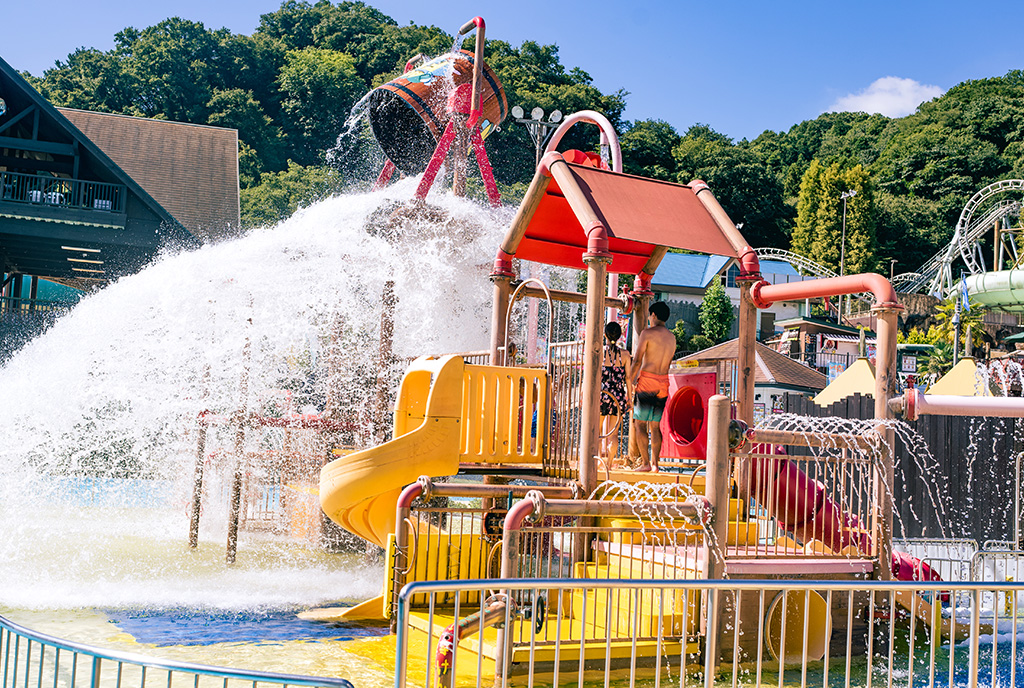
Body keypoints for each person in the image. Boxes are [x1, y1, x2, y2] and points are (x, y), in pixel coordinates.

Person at [630, 301, 676, 472]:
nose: (649, 318)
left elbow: (637, 359)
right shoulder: (672, 337)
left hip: (647, 381)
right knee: (655, 426)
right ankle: (656, 464)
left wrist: (630, 379)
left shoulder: (647, 333)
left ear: (654, 315)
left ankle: (645, 463)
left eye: (650, 315)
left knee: (640, 424)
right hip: (663, 382)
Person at [599, 321, 632, 460]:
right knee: (614, 433)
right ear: (619, 336)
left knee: (597, 431)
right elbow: (628, 378)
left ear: (605, 334)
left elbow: (592, 374)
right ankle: (610, 463)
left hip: (602, 394)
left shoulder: (600, 351)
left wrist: (583, 392)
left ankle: (597, 461)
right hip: (618, 396)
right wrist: (629, 397)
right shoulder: (624, 355)